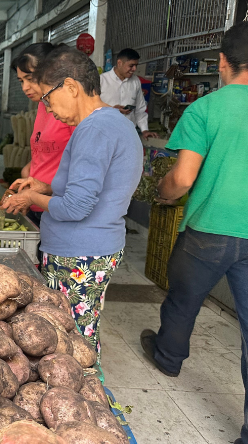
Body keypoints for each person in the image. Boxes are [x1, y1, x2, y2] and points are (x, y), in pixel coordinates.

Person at [139, 23, 248, 444]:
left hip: (208, 230)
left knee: (183, 300)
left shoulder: (206, 109)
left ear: (222, 62)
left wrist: (163, 195)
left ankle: (168, 358)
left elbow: (182, 179)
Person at [1, 46, 143, 359]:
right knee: (80, 329)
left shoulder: (94, 129)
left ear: (70, 87)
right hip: (91, 249)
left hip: (80, 255)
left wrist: (31, 197)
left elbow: (77, 207)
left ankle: (89, 401)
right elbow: (93, 189)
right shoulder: (115, 123)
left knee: (74, 341)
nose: (48, 108)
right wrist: (45, 186)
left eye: (48, 97)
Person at [9, 42, 75, 227]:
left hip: (57, 207)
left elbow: (81, 166)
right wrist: (30, 169)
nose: (25, 88)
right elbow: (48, 148)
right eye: (21, 81)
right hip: (34, 206)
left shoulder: (69, 112)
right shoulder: (42, 105)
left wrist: (45, 188)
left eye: (30, 79)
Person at [99, 48, 158, 138]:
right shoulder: (102, 80)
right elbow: (91, 107)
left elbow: (140, 109)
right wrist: (112, 109)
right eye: (131, 65)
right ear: (119, 63)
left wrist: (145, 130)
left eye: (136, 65)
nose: (134, 69)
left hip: (127, 135)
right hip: (104, 134)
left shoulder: (136, 81)